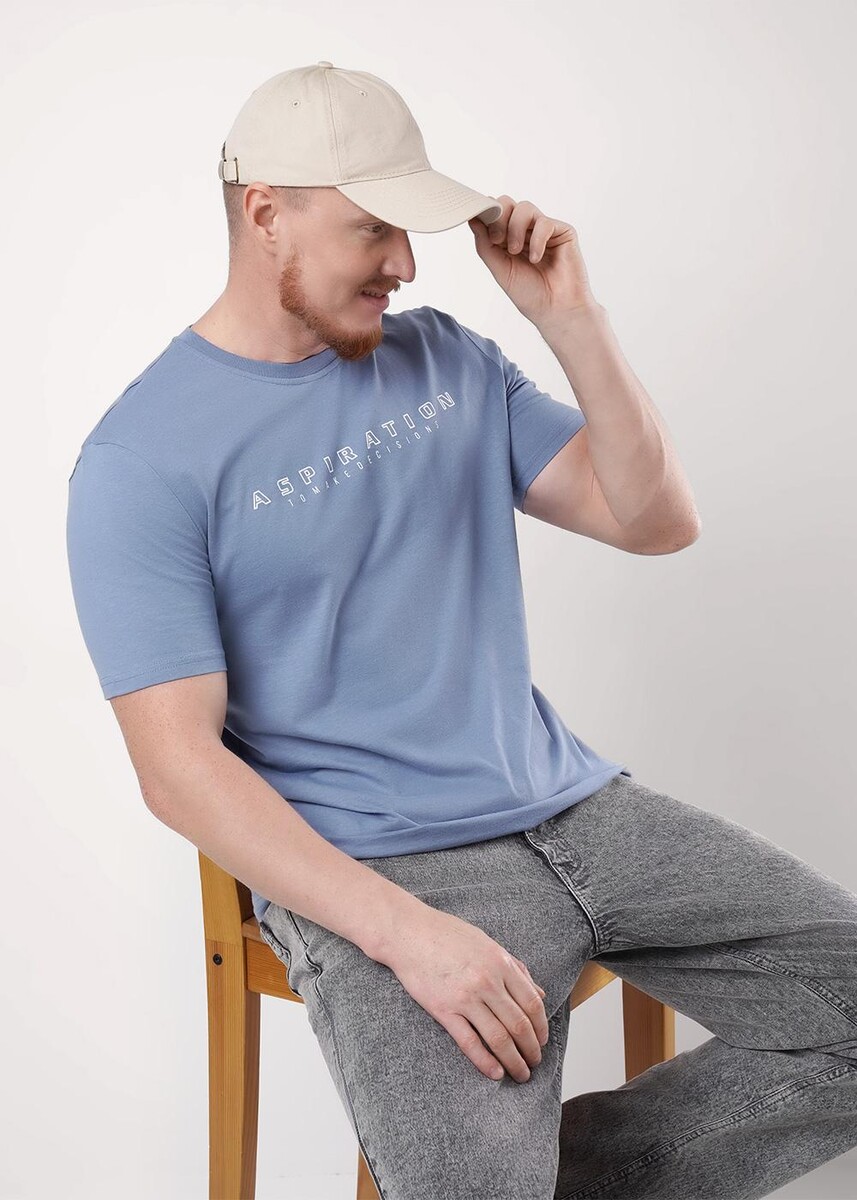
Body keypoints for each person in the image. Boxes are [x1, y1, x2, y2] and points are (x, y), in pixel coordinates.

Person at [65, 62, 857, 1200]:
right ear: (266, 212)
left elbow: (654, 522)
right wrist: (406, 934)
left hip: (573, 805)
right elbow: (177, 769)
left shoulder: (445, 358)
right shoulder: (139, 461)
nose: (405, 261)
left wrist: (570, 321)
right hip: (379, 865)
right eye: (372, 228)